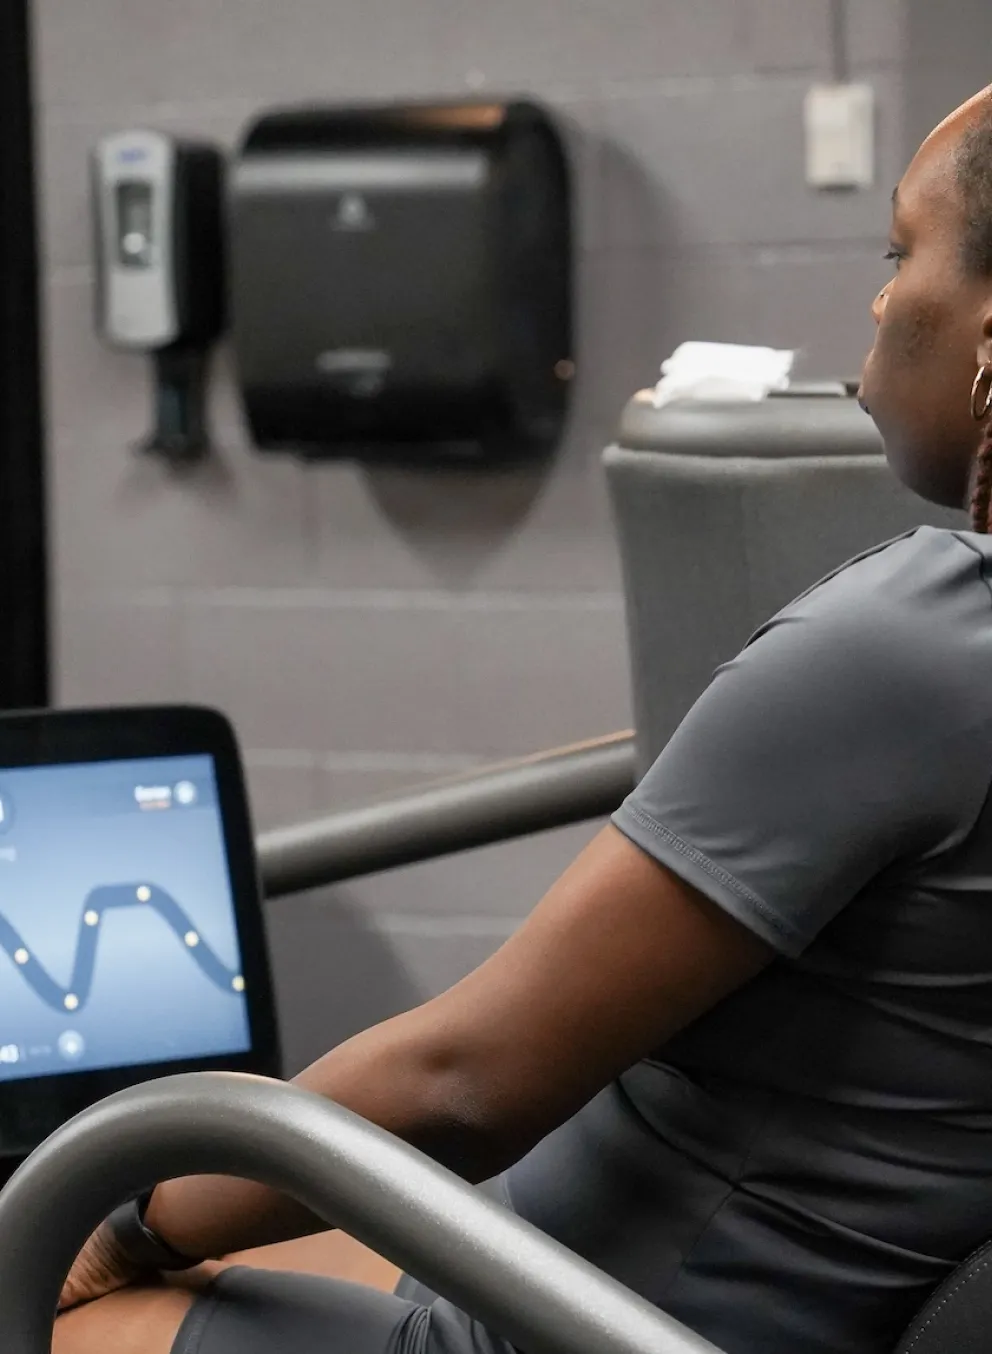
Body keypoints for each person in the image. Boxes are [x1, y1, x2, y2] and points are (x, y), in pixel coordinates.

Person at [53, 83, 992, 1354]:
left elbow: (465, 1084)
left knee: (55, 1290)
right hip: (699, 1299)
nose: (882, 301)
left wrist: (113, 1222)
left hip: (576, 1329)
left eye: (900, 251)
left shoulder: (910, 645)